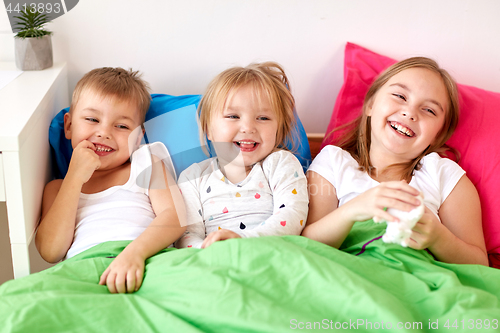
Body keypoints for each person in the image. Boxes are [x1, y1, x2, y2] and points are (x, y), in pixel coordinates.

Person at [302, 57, 488, 266]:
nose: (410, 113)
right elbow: (306, 245)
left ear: (437, 135)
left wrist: (438, 238)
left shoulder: (444, 175)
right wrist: (352, 210)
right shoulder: (333, 162)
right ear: (371, 104)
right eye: (400, 96)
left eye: (429, 110)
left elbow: (479, 265)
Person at [36, 67, 186, 293]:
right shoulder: (57, 188)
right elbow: (51, 251)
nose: (104, 133)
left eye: (122, 126)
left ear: (137, 138)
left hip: (147, 258)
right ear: (68, 126)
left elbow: (175, 217)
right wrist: (74, 177)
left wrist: (134, 254)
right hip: (83, 268)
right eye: (92, 119)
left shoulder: (147, 163)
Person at [175, 62, 308, 249]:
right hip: (212, 259)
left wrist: (242, 239)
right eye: (233, 116)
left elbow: (292, 217)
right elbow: (187, 234)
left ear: (278, 132)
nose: (248, 127)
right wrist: (206, 251)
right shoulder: (192, 177)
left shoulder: (281, 163)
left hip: (269, 252)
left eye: (263, 118)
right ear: (208, 130)